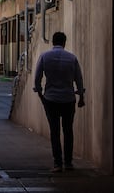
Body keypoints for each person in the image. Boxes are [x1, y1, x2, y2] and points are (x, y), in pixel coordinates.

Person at [34, 31, 85, 173]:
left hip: (50, 99)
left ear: (53, 42)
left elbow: (37, 78)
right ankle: (68, 163)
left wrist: (41, 95)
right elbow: (78, 79)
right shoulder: (72, 58)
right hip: (68, 99)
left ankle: (57, 163)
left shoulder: (44, 56)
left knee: (54, 131)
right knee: (68, 131)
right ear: (64, 42)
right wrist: (81, 97)